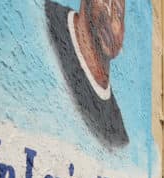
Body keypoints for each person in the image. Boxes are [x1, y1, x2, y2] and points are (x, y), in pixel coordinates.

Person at [45, 0, 129, 148]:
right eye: (106, 2)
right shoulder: (46, 20)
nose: (113, 26)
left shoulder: (117, 132)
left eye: (119, 14)